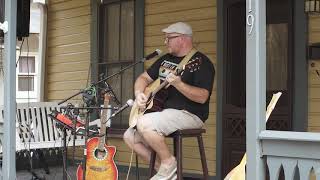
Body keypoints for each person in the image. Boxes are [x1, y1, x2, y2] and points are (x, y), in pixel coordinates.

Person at [123, 22, 215, 180]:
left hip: (190, 114)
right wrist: (139, 93)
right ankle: (166, 173)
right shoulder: (165, 59)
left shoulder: (201, 63)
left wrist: (179, 84)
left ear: (182, 39)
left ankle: (169, 162)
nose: (165, 42)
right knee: (129, 136)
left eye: (168, 38)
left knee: (145, 123)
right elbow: (143, 78)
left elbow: (202, 97)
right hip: (162, 113)